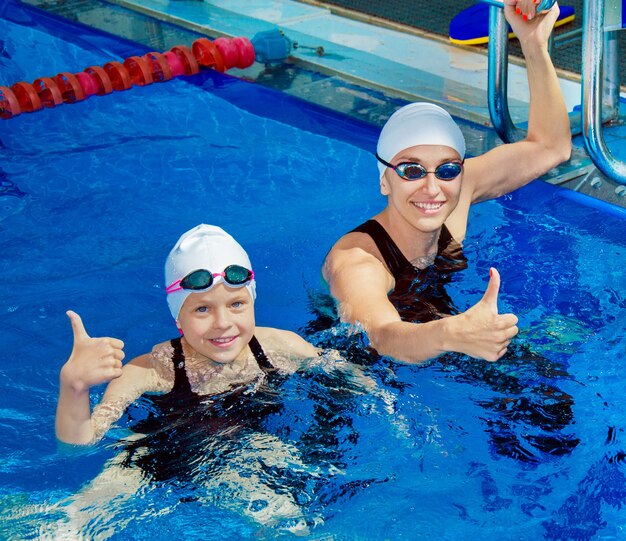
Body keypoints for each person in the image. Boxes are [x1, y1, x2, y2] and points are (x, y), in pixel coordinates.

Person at [322, 1, 572, 365]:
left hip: (447, 335)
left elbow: (552, 147)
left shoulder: (458, 193)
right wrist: (453, 333)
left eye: (447, 170)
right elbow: (382, 337)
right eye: (410, 170)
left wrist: (533, 43)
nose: (432, 188)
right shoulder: (359, 263)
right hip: (365, 374)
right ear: (384, 181)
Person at [55, 223, 320, 445]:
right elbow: (83, 442)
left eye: (236, 304)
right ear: (178, 318)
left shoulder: (282, 346)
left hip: (253, 446)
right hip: (158, 456)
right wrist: (74, 386)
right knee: (87, 504)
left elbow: (345, 374)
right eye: (202, 309)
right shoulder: (153, 369)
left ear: (253, 302)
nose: (223, 323)